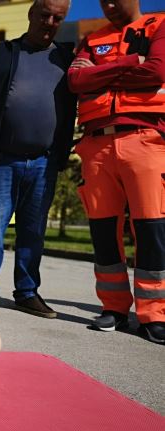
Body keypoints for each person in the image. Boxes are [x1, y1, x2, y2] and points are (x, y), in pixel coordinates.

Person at [0, 0, 77, 318]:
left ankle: (27, 292)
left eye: (57, 18)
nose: (49, 22)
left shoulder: (66, 59)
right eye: (44, 15)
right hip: (1, 161)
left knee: (33, 231)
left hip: (44, 163)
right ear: (31, 14)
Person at [67, 0, 164, 344]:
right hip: (96, 144)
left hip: (146, 138)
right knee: (103, 230)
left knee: (152, 229)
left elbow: (157, 71)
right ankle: (114, 307)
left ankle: (154, 313)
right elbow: (76, 80)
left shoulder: (159, 26)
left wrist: (100, 73)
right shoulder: (93, 38)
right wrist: (130, 62)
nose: (108, 4)